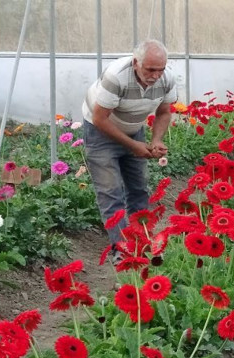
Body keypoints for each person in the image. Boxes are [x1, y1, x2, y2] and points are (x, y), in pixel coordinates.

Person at [81, 39, 175, 247]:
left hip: (133, 130)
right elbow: (100, 119)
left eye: (160, 69)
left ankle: (140, 242)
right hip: (100, 133)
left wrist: (156, 140)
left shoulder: (166, 78)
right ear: (136, 63)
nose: (156, 76)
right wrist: (134, 147)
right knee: (110, 192)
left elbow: (164, 112)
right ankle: (123, 251)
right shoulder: (117, 77)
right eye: (150, 69)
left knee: (139, 188)